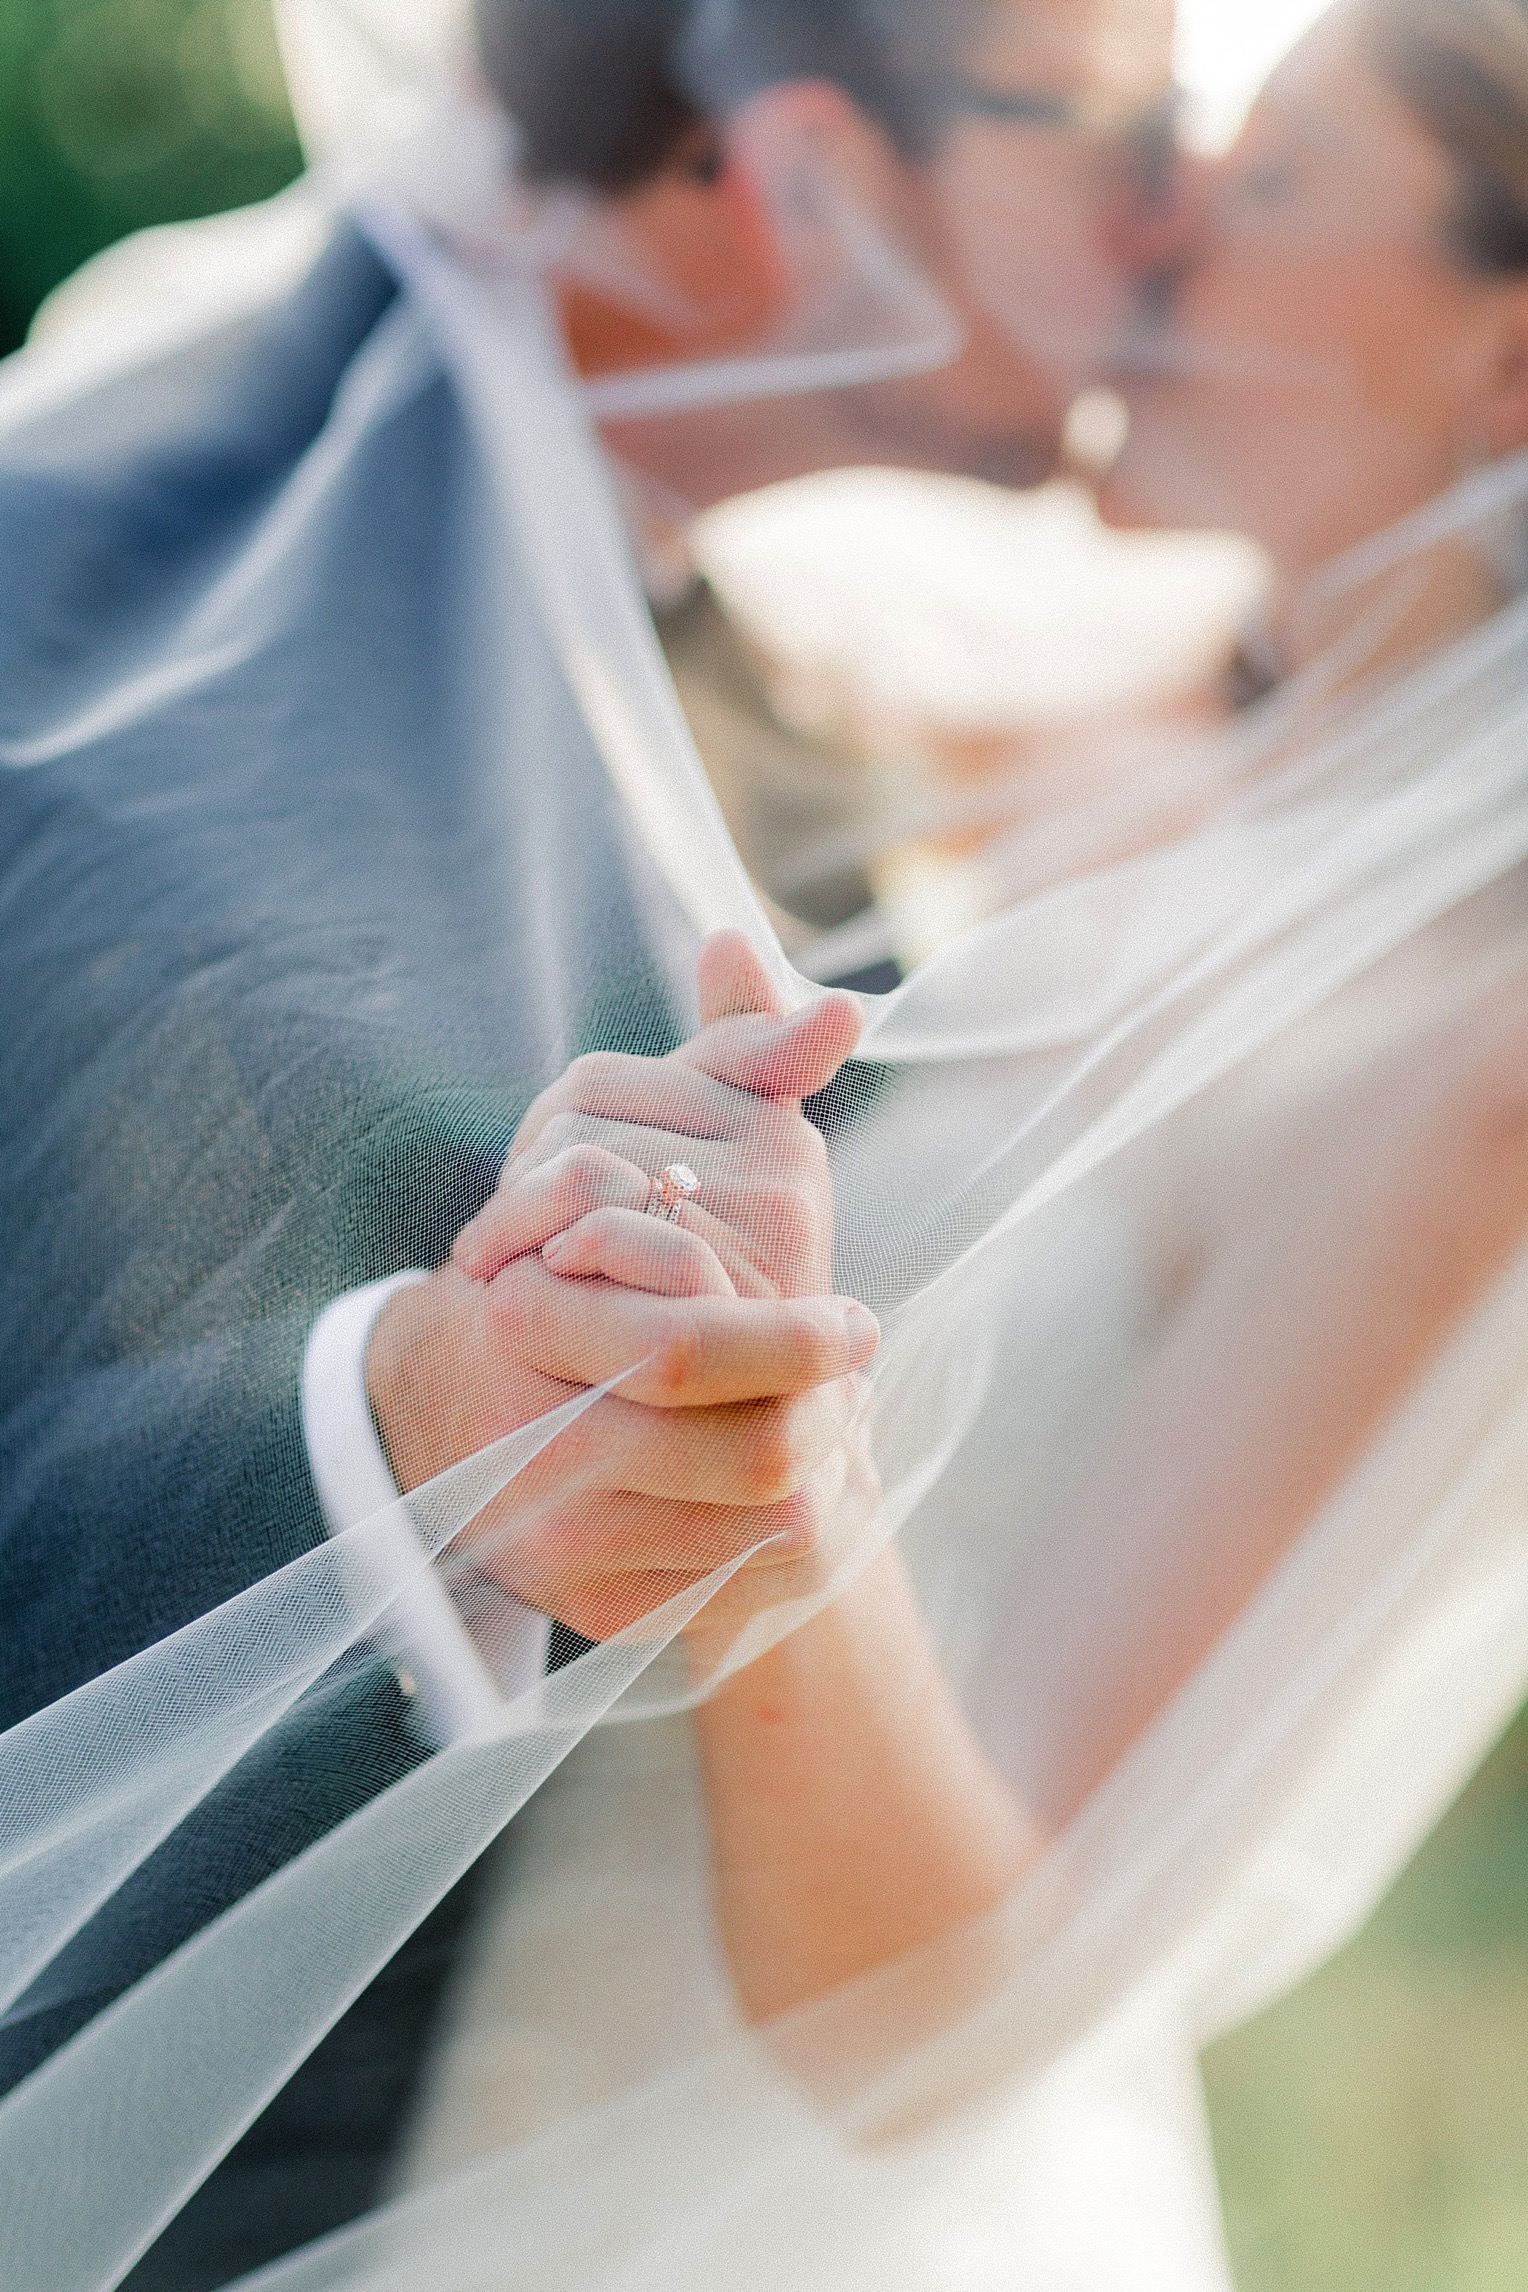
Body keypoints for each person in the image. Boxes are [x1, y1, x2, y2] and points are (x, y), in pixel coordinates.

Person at [0, 3, 1178, 2286]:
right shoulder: (102, 640)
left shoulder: (713, 617)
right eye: (1116, 129)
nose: (1178, 213)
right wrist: (402, 1432)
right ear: (810, 174)